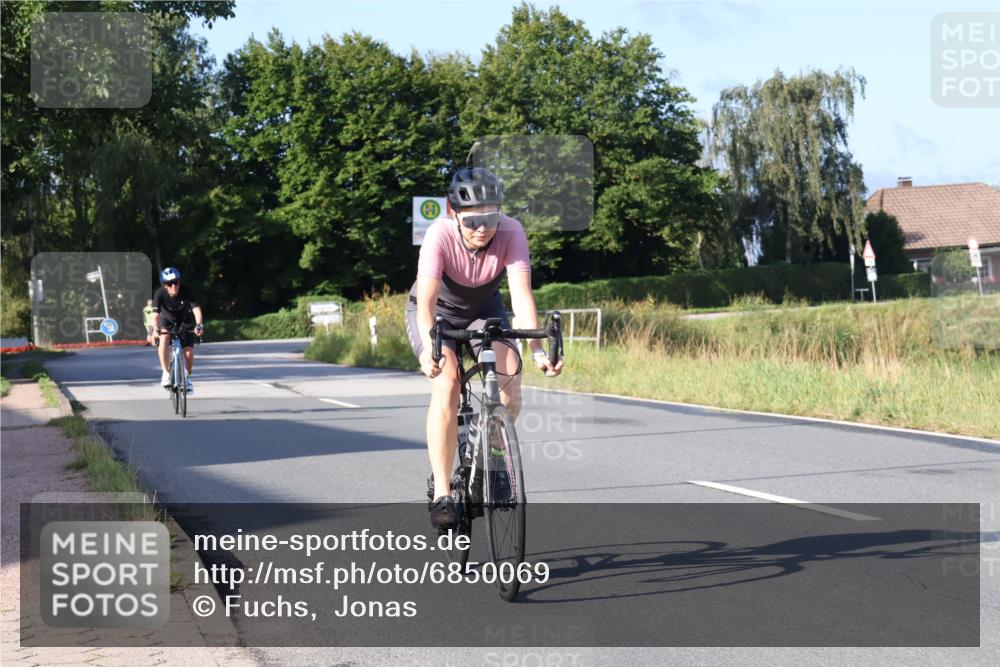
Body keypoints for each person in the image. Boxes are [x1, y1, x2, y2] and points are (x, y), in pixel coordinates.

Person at [405, 167, 563, 530]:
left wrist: (538, 351)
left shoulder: (512, 231)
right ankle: (443, 493)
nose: (482, 228)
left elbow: (521, 296)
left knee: (510, 386)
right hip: (437, 314)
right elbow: (426, 303)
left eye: (490, 218)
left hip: (484, 311)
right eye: (472, 220)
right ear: (454, 213)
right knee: (447, 384)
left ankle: (489, 464)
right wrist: (428, 352)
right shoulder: (439, 234)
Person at [152, 268, 204, 392]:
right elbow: (155, 315)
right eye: (170, 283)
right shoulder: (159, 294)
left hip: (185, 321)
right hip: (167, 321)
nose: (174, 286)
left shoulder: (187, 291)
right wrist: (155, 329)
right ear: (165, 285)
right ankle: (165, 373)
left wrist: (199, 325)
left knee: (188, 353)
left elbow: (196, 310)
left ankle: (187, 378)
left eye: (176, 282)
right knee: (164, 338)